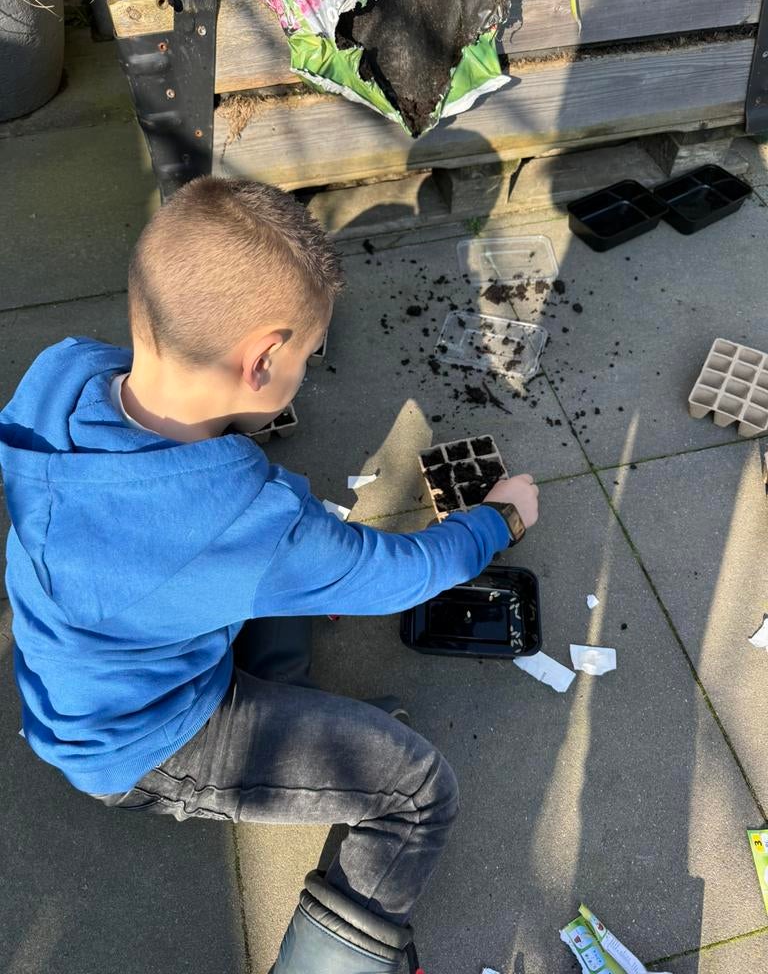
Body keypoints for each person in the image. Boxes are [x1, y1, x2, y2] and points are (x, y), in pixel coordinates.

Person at [0, 178, 539, 974]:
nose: (312, 365)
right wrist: (501, 517)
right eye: (308, 352)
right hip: (146, 741)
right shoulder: (240, 521)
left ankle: (296, 703)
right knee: (419, 791)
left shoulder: (61, 372)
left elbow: (207, 528)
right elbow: (406, 572)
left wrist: (300, 562)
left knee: (291, 576)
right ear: (262, 360)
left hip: (87, 663)